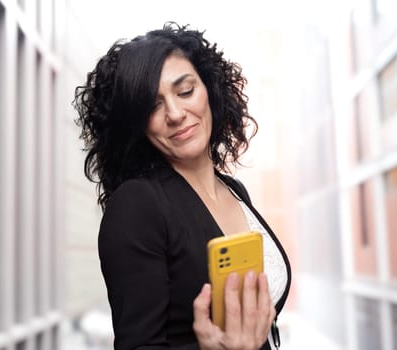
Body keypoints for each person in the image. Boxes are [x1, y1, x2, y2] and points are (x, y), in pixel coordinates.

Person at [74, 22, 291, 350]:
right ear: (137, 123)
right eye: (152, 105)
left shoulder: (234, 190)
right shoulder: (137, 205)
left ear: (210, 91)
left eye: (185, 91)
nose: (175, 113)